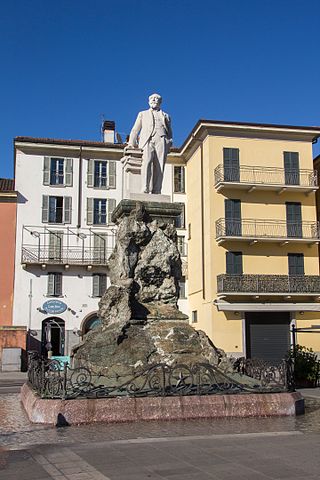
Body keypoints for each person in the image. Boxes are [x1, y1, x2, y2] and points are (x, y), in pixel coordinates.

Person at [127, 93, 173, 194]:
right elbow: (135, 129)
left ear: (160, 102)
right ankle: (145, 187)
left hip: (161, 139)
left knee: (159, 165)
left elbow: (169, 132)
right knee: (146, 162)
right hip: (147, 140)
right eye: (152, 98)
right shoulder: (142, 114)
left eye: (156, 99)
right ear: (148, 101)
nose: (154, 100)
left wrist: (169, 142)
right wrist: (131, 142)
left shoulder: (166, 116)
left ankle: (157, 190)